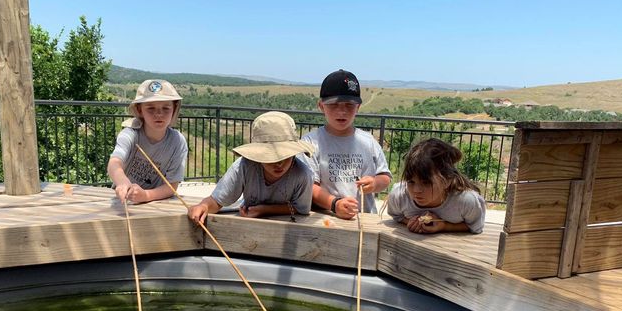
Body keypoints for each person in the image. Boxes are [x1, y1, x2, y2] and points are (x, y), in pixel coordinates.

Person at [187, 111, 314, 223]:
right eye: (271, 158)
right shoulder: (244, 166)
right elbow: (217, 201)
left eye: (285, 156)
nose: (279, 164)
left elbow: (301, 208)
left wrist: (265, 210)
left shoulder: (303, 174)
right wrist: (203, 207)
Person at [302, 69, 392, 219]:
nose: (342, 111)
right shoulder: (310, 143)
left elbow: (385, 177)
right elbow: (309, 186)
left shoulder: (368, 142)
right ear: (321, 106)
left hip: (364, 219)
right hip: (326, 219)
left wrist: (375, 183)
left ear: (358, 107)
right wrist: (334, 204)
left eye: (349, 105)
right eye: (334, 104)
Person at [107, 79, 188, 204]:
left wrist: (146, 195)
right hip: (124, 201)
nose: (159, 114)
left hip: (157, 202)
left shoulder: (178, 142)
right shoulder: (130, 134)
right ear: (140, 110)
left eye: (166, 108)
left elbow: (172, 186)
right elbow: (114, 163)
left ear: (174, 108)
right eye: (151, 108)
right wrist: (123, 182)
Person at [387, 138, 486, 234]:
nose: (416, 190)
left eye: (426, 182)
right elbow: (397, 216)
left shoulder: (466, 202)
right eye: (411, 181)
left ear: (447, 180)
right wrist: (410, 222)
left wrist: (445, 226)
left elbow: (475, 226)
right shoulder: (399, 197)